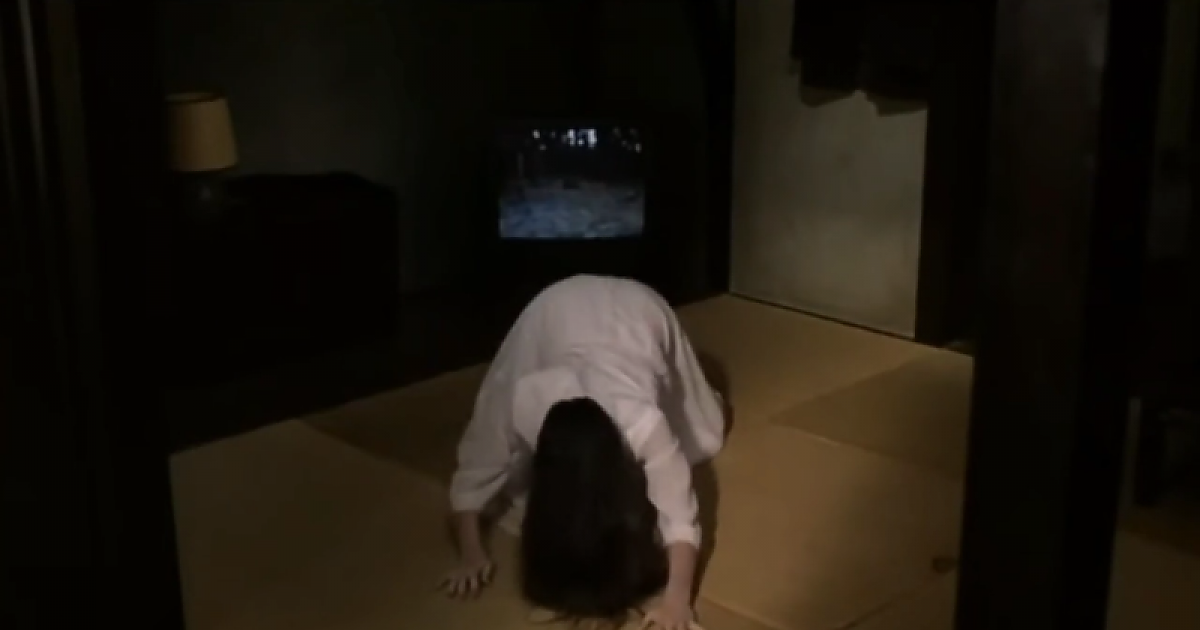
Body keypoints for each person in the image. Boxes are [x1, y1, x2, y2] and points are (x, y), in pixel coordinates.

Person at [439, 274, 725, 629]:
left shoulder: (642, 423)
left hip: (639, 310)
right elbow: (476, 467)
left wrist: (677, 600)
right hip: (554, 307)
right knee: (509, 481)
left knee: (701, 434)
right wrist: (471, 554)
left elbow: (679, 515)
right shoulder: (525, 400)